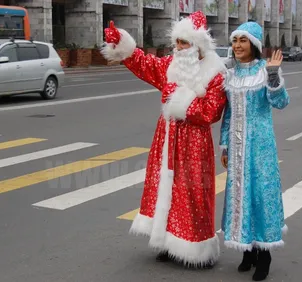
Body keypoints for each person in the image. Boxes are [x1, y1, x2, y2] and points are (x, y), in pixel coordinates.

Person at [100, 11, 227, 267]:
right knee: (166, 189)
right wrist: (122, 45)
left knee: (193, 192)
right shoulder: (171, 65)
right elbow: (145, 63)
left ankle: (198, 249)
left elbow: (211, 111)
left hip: (194, 142)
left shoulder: (216, 73)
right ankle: (169, 242)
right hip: (167, 138)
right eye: (177, 42)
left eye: (184, 43)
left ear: (198, 44)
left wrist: (177, 97)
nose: (178, 48)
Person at [219, 22, 290, 281]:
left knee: (261, 196)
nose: (237, 45)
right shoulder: (230, 74)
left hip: (260, 149)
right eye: (235, 40)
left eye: (243, 40)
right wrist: (224, 144)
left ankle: (264, 254)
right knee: (240, 196)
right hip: (237, 151)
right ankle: (246, 250)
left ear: (254, 44)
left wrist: (273, 75)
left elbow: (280, 102)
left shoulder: (264, 71)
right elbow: (228, 115)